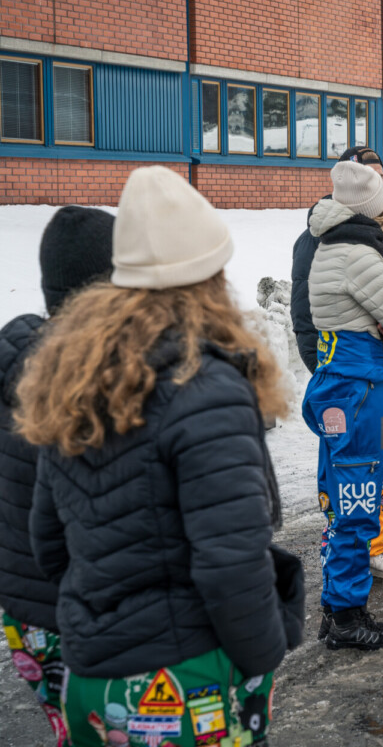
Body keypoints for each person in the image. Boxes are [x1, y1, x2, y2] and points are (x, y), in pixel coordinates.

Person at [17, 167, 304, 746]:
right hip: (186, 685)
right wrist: (262, 658)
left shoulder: (73, 373)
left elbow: (48, 541)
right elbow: (231, 562)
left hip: (95, 684)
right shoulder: (207, 386)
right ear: (212, 275)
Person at [0, 206, 114, 746]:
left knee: (71, 730)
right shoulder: (93, 387)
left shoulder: (13, 367)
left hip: (25, 618)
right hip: (89, 615)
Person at [304, 160, 383, 649]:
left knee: (342, 501)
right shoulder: (359, 254)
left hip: (338, 385)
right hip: (361, 391)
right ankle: (350, 614)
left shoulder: (326, 246)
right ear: (373, 207)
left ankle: (336, 605)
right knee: (358, 504)